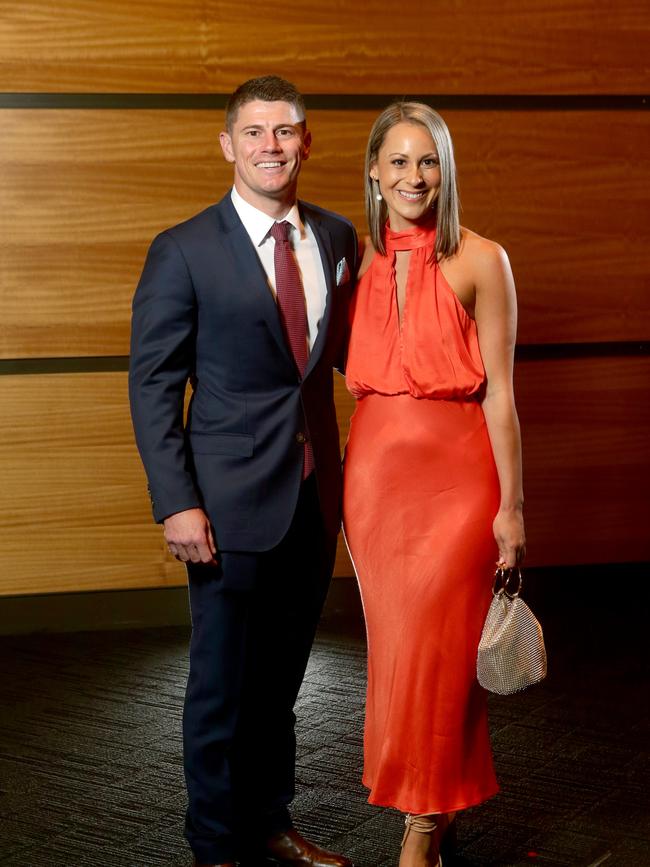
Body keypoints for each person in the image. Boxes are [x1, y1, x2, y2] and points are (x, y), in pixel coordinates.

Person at [129, 75, 357, 867]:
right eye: (255, 132)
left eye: (286, 131)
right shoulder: (184, 248)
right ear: (228, 144)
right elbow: (154, 385)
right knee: (221, 687)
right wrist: (176, 503)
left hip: (310, 497)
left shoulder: (334, 238)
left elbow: (339, 366)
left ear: (306, 139)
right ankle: (215, 845)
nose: (272, 146)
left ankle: (270, 820)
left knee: (281, 683)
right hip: (223, 506)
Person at [342, 102, 526, 867]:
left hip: (458, 487)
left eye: (429, 160)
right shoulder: (353, 258)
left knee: (440, 657)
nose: (415, 175)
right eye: (400, 161)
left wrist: (512, 508)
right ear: (376, 173)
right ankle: (435, 801)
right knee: (396, 652)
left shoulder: (483, 258)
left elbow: (502, 395)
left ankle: (420, 824)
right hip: (376, 488)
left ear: (445, 170)